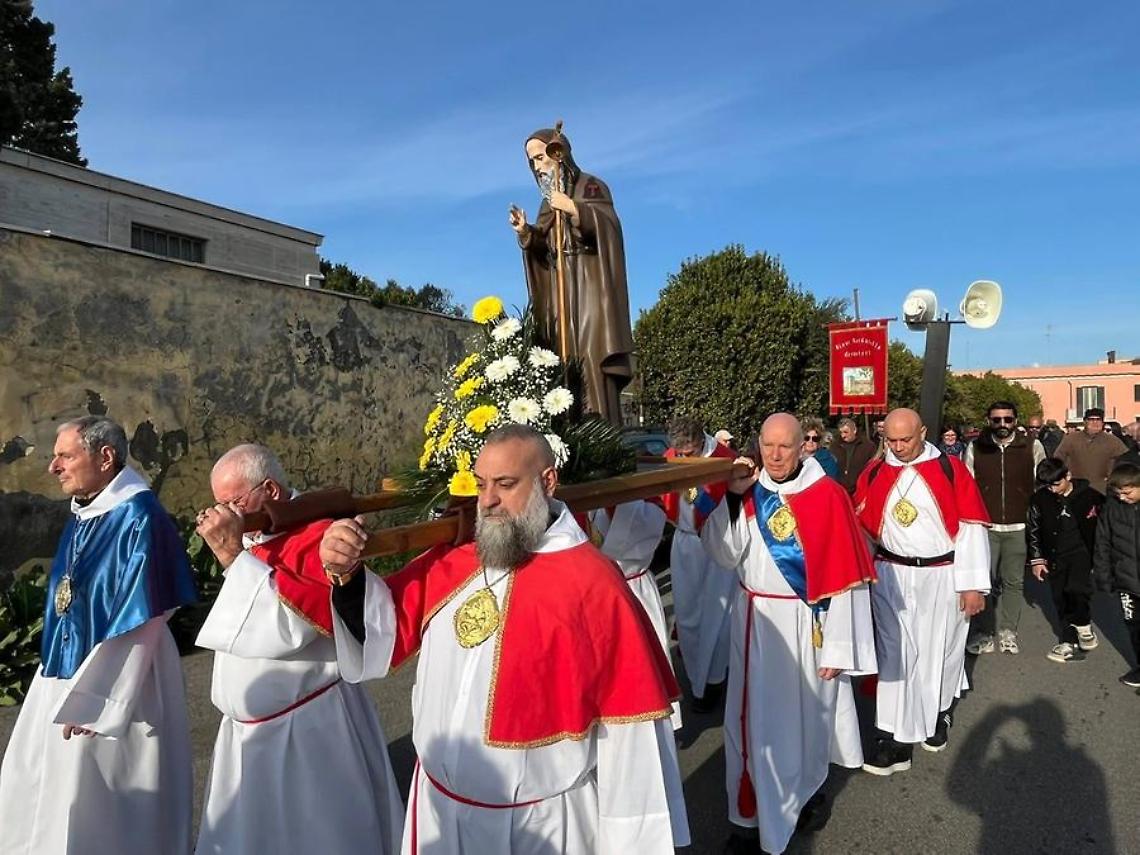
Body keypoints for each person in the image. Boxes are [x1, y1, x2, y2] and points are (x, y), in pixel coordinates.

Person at [319, 424, 690, 853]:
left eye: (505, 484)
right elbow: (383, 626)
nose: (488, 500)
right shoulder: (458, 559)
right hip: (438, 809)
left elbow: (632, 742)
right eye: (481, 484)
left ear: (548, 481)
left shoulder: (594, 586)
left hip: (538, 827)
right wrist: (345, 574)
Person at [193, 444, 404, 854]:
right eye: (218, 504)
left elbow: (288, 630)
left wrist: (233, 556)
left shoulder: (317, 538)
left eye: (232, 502)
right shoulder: (256, 531)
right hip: (245, 735)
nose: (225, 515)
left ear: (269, 489)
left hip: (305, 732)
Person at [0, 417, 197, 854]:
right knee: (43, 782)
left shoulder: (140, 516)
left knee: (104, 799)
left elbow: (145, 616)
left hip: (123, 677)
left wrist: (98, 699)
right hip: (62, 669)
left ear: (105, 456)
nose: (53, 466)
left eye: (65, 455)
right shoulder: (87, 510)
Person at [702, 414, 877, 854]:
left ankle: (806, 795)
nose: (775, 456)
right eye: (768, 446)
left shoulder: (828, 496)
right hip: (755, 621)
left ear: (804, 447)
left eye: (785, 447)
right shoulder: (750, 492)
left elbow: (847, 580)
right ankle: (747, 820)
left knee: (804, 722)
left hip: (805, 626)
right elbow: (725, 554)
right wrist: (728, 500)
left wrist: (839, 646)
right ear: (757, 445)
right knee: (747, 725)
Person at [854, 408, 991, 774]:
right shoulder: (876, 471)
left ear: (923, 432)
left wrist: (973, 585)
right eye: (891, 440)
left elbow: (971, 527)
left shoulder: (950, 469)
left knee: (939, 650)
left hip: (942, 575)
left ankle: (937, 714)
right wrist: (859, 577)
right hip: (891, 575)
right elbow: (864, 528)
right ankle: (892, 737)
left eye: (906, 439)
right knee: (894, 654)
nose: (898, 448)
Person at [510, 128, 633, 426]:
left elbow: (608, 229)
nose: (538, 167)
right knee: (560, 358)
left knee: (590, 353)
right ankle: (567, 430)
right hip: (560, 291)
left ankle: (599, 431)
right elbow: (543, 247)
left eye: (541, 157)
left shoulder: (592, 187)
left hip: (590, 285)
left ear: (558, 153)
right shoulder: (545, 204)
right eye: (532, 162)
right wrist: (527, 233)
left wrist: (575, 209)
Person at [662, 416, 737, 712]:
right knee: (687, 613)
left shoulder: (724, 459)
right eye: (679, 453)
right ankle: (695, 680)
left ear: (701, 440)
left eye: (689, 452)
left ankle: (716, 679)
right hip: (684, 542)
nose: (683, 458)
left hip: (715, 541)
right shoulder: (671, 457)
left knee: (718, 616)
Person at [587, 499, 681, 728]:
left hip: (633, 589)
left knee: (645, 675)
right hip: (595, 596)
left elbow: (648, 528)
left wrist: (615, 504)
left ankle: (657, 726)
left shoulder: (640, 497)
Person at [963, 402, 1046, 656]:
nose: (1002, 425)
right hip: (986, 526)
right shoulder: (976, 446)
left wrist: (1037, 519)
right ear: (988, 420)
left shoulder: (1031, 445)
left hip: (1019, 525)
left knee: (1013, 581)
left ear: (1015, 420)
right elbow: (967, 485)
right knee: (983, 582)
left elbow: (1042, 483)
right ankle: (984, 632)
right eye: (996, 420)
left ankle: (1009, 630)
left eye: (1007, 420)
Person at [1027, 458, 1104, 663]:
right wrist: (1037, 560)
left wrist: (1103, 559)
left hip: (1082, 553)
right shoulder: (1039, 499)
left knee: (1077, 590)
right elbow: (1033, 530)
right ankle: (1067, 640)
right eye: (1047, 485)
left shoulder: (1092, 497)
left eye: (1056, 484)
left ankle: (1083, 624)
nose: (1052, 490)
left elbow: (1103, 529)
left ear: (1067, 476)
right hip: (1054, 555)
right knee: (1059, 596)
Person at [1093, 461, 1140, 688]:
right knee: (1133, 626)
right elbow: (1102, 542)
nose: (1122, 497)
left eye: (1127, 492)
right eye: (1118, 493)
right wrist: (1103, 577)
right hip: (1126, 581)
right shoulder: (1112, 507)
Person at [1055, 408, 1128, 495]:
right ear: (1085, 422)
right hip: (1076, 488)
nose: (1095, 423)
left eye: (1098, 420)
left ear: (1103, 422)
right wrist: (1064, 476)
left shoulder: (1112, 441)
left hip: (1102, 490)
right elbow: (1057, 459)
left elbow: (1127, 460)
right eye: (1091, 419)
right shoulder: (1071, 439)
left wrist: (1114, 477)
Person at [830, 416, 877, 495]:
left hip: (861, 491)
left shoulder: (868, 446)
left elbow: (872, 469)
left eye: (846, 432)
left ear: (854, 430)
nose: (843, 436)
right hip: (840, 491)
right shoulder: (835, 446)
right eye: (841, 432)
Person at [801, 416, 840, 481]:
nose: (811, 441)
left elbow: (831, 483)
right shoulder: (795, 459)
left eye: (815, 439)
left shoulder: (828, 460)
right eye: (807, 438)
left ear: (819, 441)